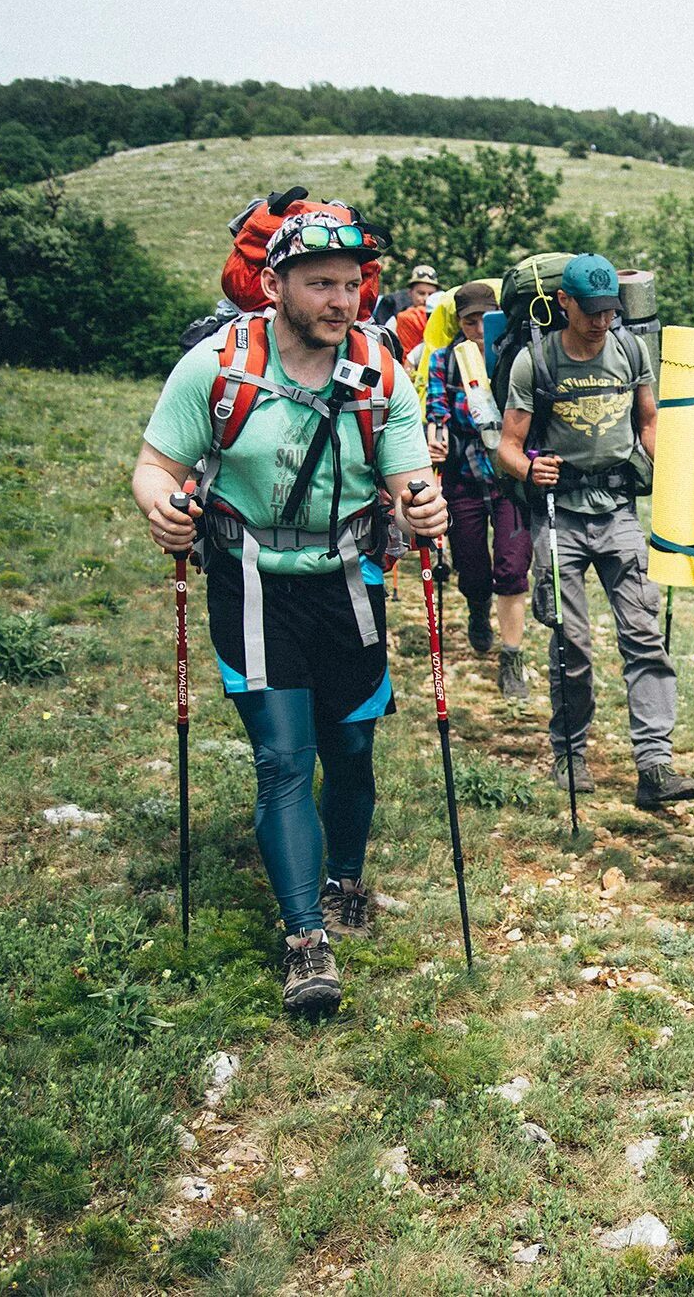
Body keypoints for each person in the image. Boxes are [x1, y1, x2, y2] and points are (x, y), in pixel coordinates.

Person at [132, 212, 447, 1016]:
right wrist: (163, 508)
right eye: (322, 284)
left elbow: (409, 476)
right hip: (249, 578)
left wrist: (424, 506)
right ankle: (306, 939)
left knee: (349, 746)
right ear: (274, 286)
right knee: (282, 755)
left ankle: (345, 877)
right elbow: (155, 465)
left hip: (346, 576)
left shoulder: (383, 372)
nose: (343, 300)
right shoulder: (215, 368)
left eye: (353, 284)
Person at [494, 254, 694, 810]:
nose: (600, 322)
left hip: (619, 510)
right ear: (564, 303)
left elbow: (648, 420)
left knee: (643, 634)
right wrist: (529, 467)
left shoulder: (631, 349)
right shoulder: (534, 362)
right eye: (589, 311)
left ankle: (655, 765)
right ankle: (570, 751)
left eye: (610, 311)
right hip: (558, 512)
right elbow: (507, 447)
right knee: (571, 642)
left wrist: (671, 471)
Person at [425, 279, 531, 694]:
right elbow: (437, 409)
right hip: (463, 476)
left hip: (508, 479)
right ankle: (476, 605)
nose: (477, 330)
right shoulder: (443, 360)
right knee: (470, 564)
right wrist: (436, 437)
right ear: (459, 322)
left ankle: (512, 658)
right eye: (469, 322)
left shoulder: (515, 357)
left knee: (511, 566)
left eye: (484, 321)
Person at [374, 262, 442, 327]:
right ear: (410, 293)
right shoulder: (394, 307)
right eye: (421, 293)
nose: (426, 299)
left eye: (431, 294)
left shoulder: (442, 314)